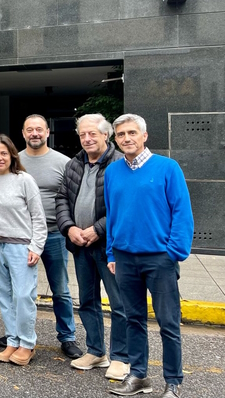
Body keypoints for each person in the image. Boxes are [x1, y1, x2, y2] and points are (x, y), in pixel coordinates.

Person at [105, 114, 193, 398]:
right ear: (116, 140)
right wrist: (111, 251)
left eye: (132, 133)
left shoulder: (168, 167)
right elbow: (112, 214)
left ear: (144, 136)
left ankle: (173, 382)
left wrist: (174, 253)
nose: (126, 138)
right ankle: (139, 375)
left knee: (168, 323)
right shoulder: (113, 172)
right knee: (134, 320)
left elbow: (182, 212)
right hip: (124, 257)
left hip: (159, 258)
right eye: (121, 135)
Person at [55, 114, 129, 379]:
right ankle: (96, 352)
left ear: (105, 135)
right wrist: (70, 228)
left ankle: (122, 357)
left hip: (110, 247)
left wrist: (98, 229)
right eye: (82, 134)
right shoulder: (74, 164)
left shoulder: (121, 163)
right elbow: (62, 197)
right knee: (87, 301)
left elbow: (125, 206)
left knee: (120, 304)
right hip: (80, 244)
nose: (87, 139)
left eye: (92, 134)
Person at [17, 114, 82, 359]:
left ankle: (67, 337)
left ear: (47, 132)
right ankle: (19, 335)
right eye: (29, 129)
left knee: (61, 290)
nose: (34, 133)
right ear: (23, 133)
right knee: (22, 291)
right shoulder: (15, 162)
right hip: (22, 237)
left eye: (39, 129)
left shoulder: (64, 163)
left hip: (54, 234)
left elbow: (72, 198)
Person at [0, 134, 47, 366]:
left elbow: (38, 217)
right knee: (4, 296)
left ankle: (27, 344)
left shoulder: (24, 180)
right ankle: (12, 340)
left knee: (23, 296)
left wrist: (36, 246)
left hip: (21, 246)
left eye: (3, 153)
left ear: (12, 155)